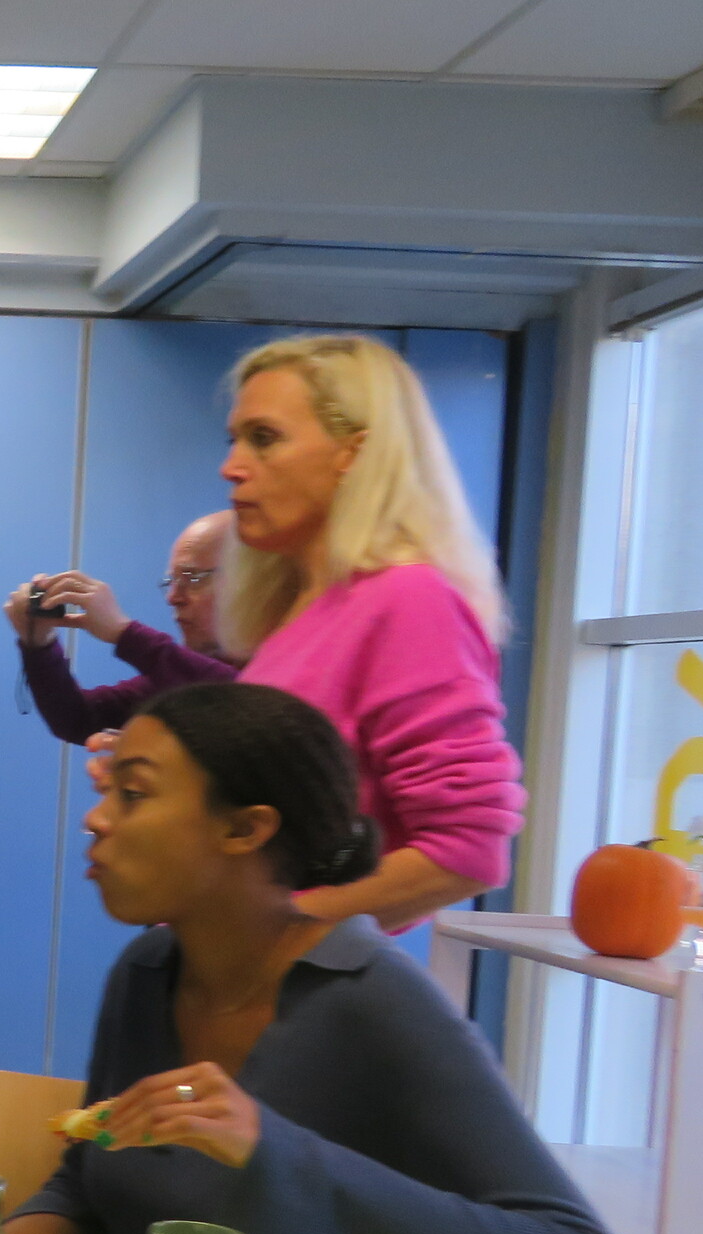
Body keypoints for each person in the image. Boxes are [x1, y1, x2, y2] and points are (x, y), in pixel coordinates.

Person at [8, 682, 641, 1234]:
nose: (97, 819)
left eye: (132, 794)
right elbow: (91, 1181)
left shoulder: (373, 999)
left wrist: (272, 1150)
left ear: (245, 829)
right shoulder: (146, 971)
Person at [217, 333, 523, 932]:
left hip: (287, 978)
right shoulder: (302, 612)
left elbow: (468, 850)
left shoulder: (407, 600)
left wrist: (267, 934)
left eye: (265, 438)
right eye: (234, 440)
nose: (232, 467)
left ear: (353, 453)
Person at [8, 511, 236, 746]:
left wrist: (124, 632)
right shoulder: (182, 676)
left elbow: (241, 698)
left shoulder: (255, 678)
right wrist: (40, 643)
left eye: (192, 578)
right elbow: (78, 719)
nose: (173, 597)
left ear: (249, 581)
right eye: (172, 582)